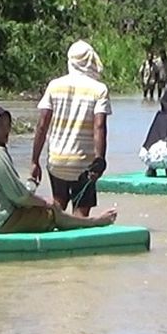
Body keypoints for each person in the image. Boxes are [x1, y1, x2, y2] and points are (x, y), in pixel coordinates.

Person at [0, 105, 116, 234]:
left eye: (8, 125)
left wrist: (31, 184)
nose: (7, 130)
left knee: (38, 205)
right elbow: (19, 197)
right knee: (51, 213)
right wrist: (46, 202)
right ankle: (94, 222)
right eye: (1, 126)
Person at [31, 40, 112, 217]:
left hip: (57, 161)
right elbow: (99, 126)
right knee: (81, 214)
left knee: (58, 207)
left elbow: (42, 124)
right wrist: (100, 160)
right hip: (84, 164)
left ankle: (54, 239)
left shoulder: (54, 85)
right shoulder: (99, 90)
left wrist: (34, 160)